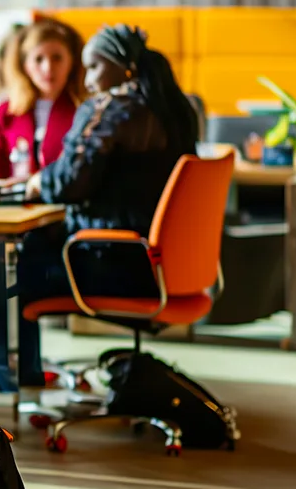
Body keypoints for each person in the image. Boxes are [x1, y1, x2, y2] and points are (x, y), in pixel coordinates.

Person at [13, 24, 200, 387]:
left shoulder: (111, 108)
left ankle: (18, 379)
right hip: (163, 266)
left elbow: (70, 182)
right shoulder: (177, 111)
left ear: (123, 67)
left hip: (115, 264)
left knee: (14, 265)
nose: (89, 79)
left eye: (94, 67)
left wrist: (38, 181)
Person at [0, 17, 86, 184]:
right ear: (24, 65)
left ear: (72, 62)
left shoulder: (86, 114)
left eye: (57, 58)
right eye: (38, 59)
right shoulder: (2, 117)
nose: (48, 68)